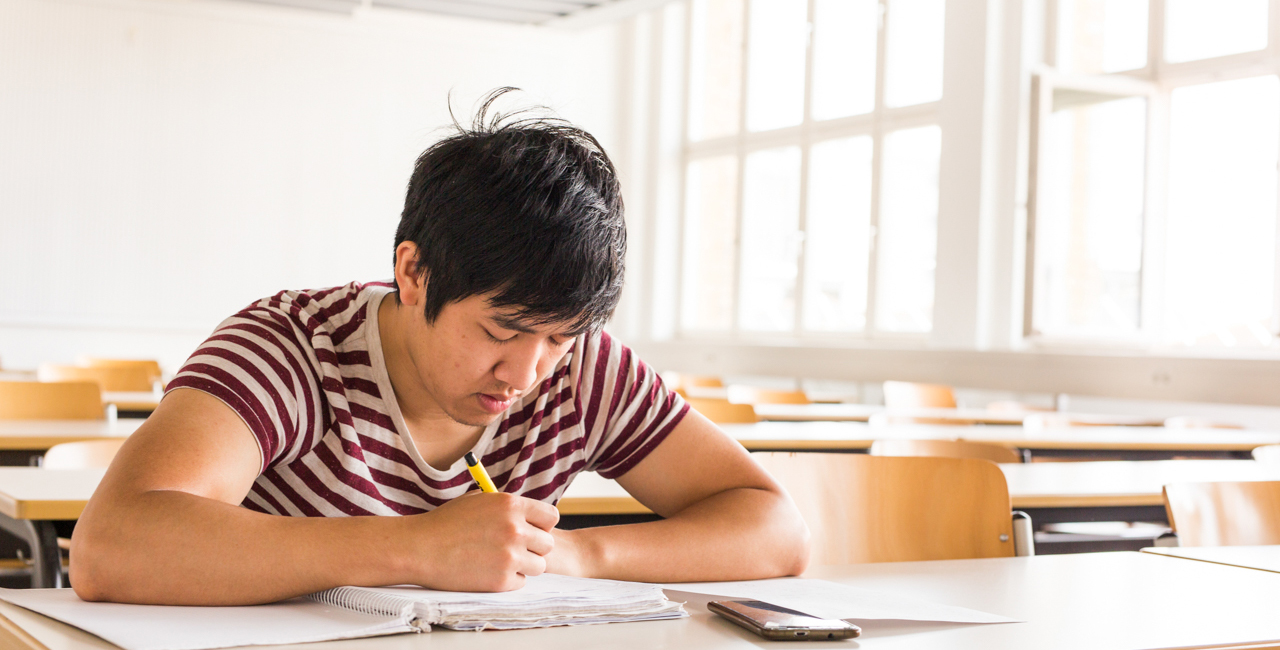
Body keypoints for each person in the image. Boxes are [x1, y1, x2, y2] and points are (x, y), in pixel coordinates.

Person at [70, 90, 810, 605]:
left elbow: (773, 529)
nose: (527, 373)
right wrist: (414, 547)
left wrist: (570, 555)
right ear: (414, 273)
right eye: (501, 330)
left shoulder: (581, 368)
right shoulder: (291, 348)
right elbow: (114, 547)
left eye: (559, 337)